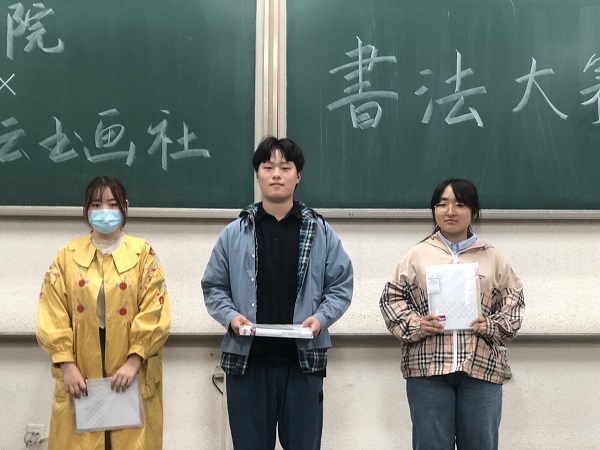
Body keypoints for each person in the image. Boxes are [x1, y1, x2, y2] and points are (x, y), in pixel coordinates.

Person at [202, 136, 353, 450]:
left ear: (298, 175)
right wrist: (230, 317)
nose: (276, 174)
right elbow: (214, 286)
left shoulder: (320, 231)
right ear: (257, 174)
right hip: (247, 362)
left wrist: (321, 319)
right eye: (268, 167)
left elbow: (340, 285)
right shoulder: (234, 233)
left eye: (285, 167)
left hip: (303, 362)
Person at [379, 179, 525, 450]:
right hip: (427, 370)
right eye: (442, 204)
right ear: (434, 210)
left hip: (481, 370)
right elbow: (390, 300)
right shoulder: (417, 255)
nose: (450, 211)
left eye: (460, 204)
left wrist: (490, 325)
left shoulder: (493, 257)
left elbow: (513, 307)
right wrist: (417, 324)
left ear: (473, 210)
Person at [36, 176, 171, 450]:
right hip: (81, 361)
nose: (104, 211)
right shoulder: (67, 255)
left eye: (112, 203)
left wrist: (134, 360)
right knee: (81, 440)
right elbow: (51, 310)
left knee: (129, 439)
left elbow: (156, 310)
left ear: (125, 207)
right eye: (96, 205)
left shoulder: (143, 255)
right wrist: (66, 363)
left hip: (131, 361)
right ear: (86, 209)